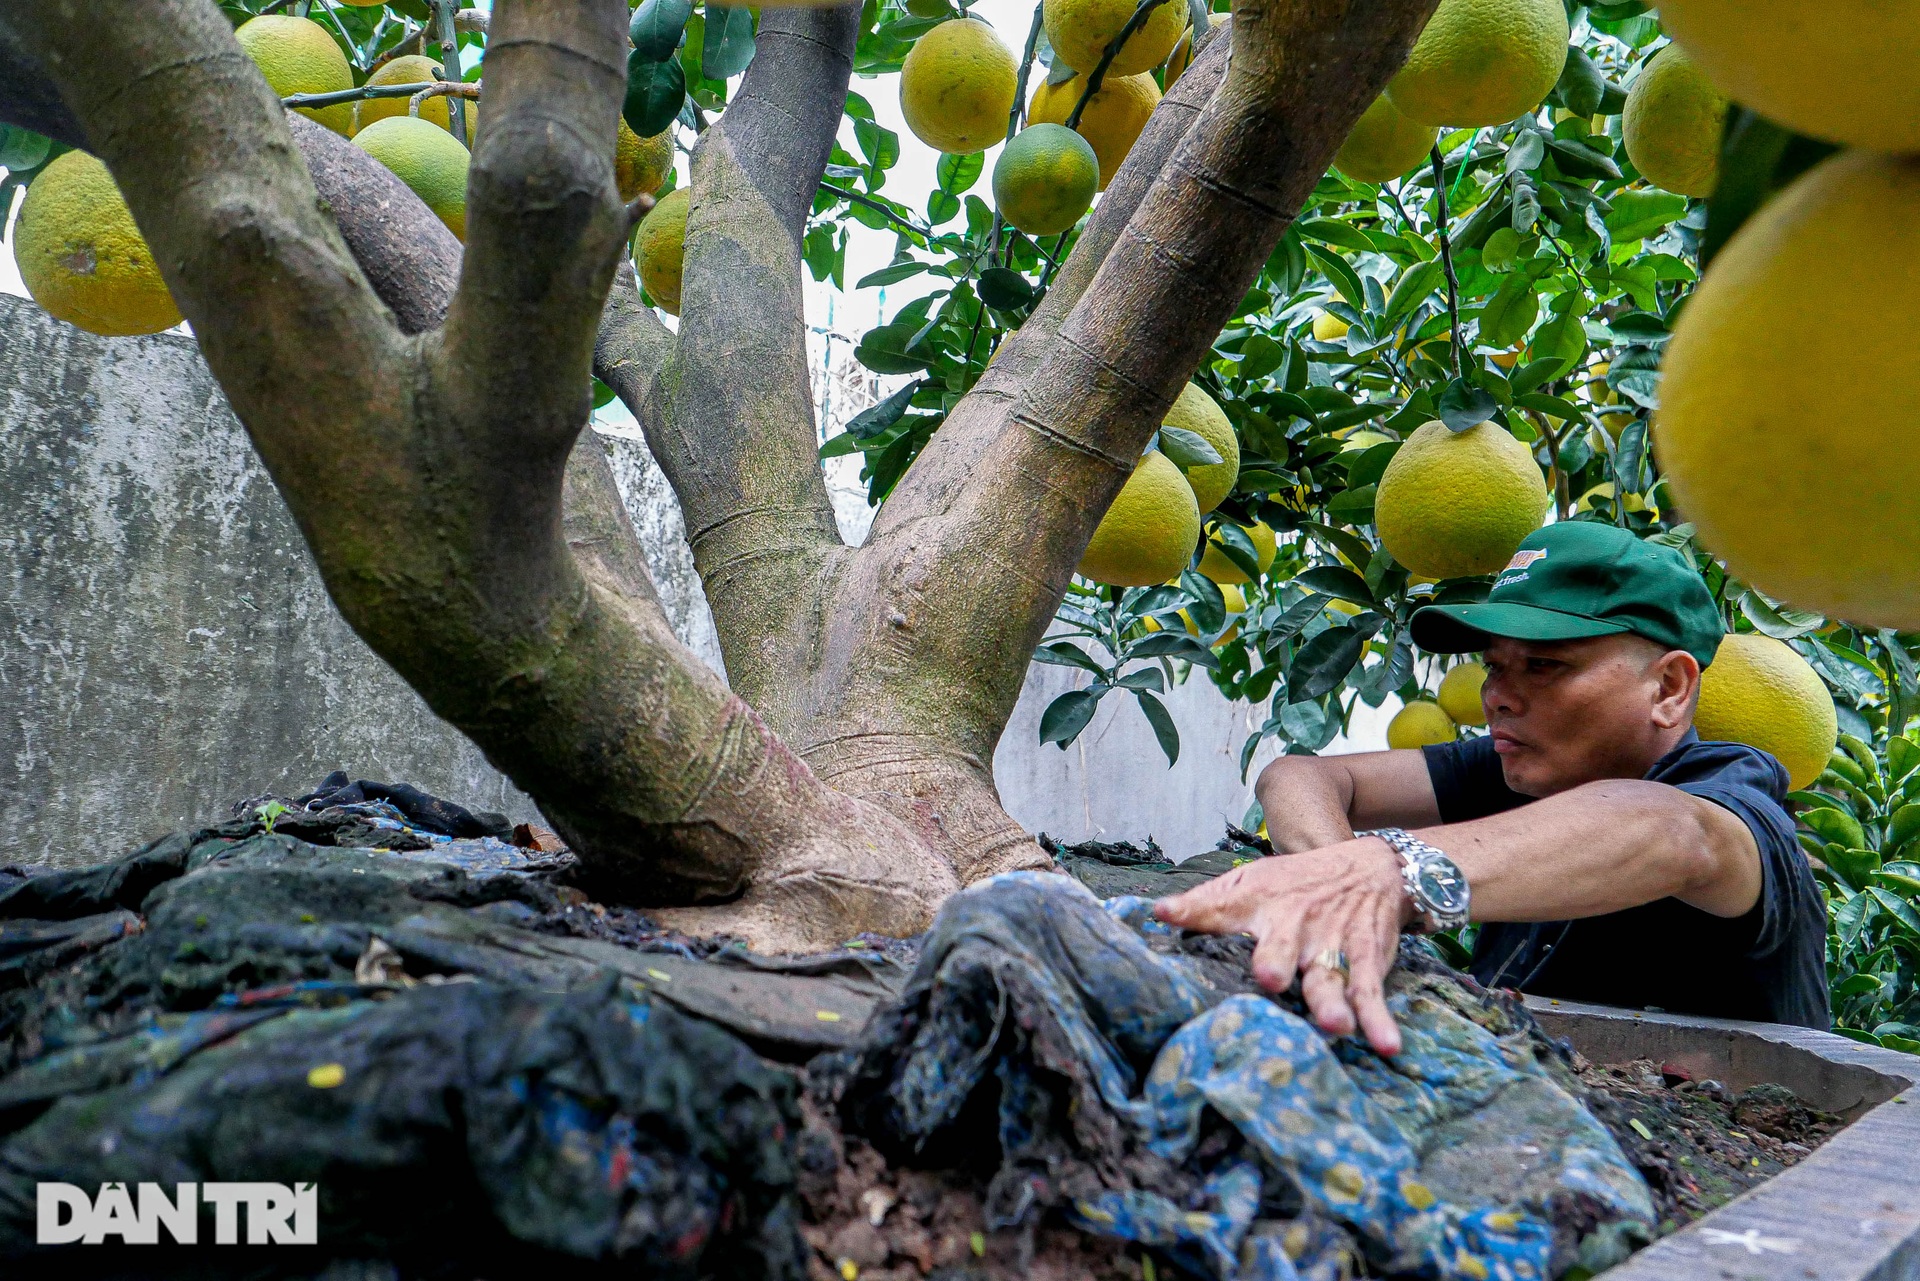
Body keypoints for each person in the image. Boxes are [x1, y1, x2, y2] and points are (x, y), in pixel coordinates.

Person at [1156, 522, 1829, 1056]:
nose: (1496, 697)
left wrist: (1392, 871)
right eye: (1493, 665)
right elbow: (1300, 774)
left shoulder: (1730, 796)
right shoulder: (1522, 769)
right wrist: (1340, 886)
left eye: (1543, 665)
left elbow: (1673, 832)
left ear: (1669, 687)